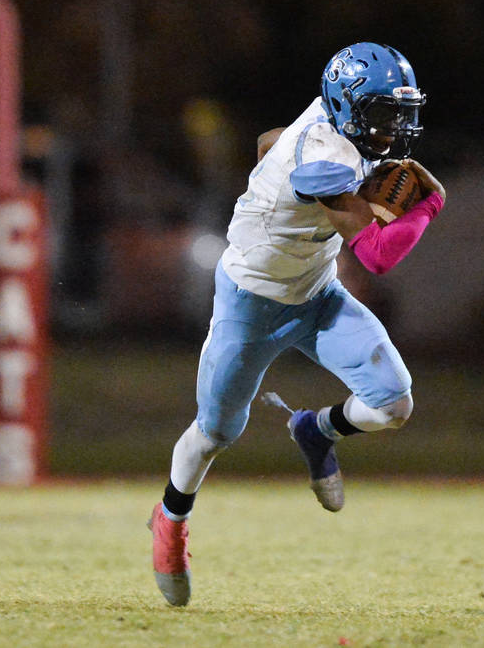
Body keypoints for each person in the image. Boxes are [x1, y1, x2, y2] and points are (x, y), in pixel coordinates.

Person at [148, 43, 446, 607]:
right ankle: (170, 519)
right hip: (250, 304)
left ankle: (317, 430)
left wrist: (272, 175)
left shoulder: (324, 124)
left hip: (315, 293)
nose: (394, 128)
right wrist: (429, 206)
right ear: (349, 105)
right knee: (214, 434)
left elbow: (269, 140)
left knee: (393, 403)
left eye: (400, 112)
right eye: (383, 113)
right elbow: (379, 255)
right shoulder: (325, 158)